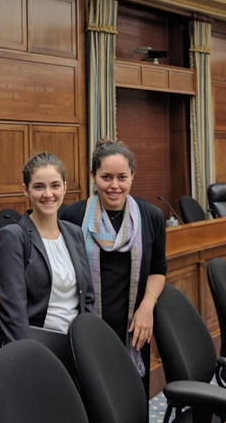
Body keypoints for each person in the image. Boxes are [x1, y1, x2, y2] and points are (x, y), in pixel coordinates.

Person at [60, 138, 167, 390]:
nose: (115, 186)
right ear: (93, 176)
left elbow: (158, 270)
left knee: (131, 404)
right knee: (92, 404)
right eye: (106, 177)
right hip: (86, 327)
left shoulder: (151, 216)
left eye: (122, 177)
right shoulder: (73, 216)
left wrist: (147, 308)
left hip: (134, 327)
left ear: (132, 177)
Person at [0, 153, 94, 343]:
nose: (48, 194)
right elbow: (13, 313)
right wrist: (32, 359)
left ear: (65, 187)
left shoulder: (75, 233)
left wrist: (87, 343)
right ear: (26, 190)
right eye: (39, 187)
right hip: (37, 347)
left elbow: (87, 298)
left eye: (55, 185)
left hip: (77, 346)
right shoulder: (12, 237)